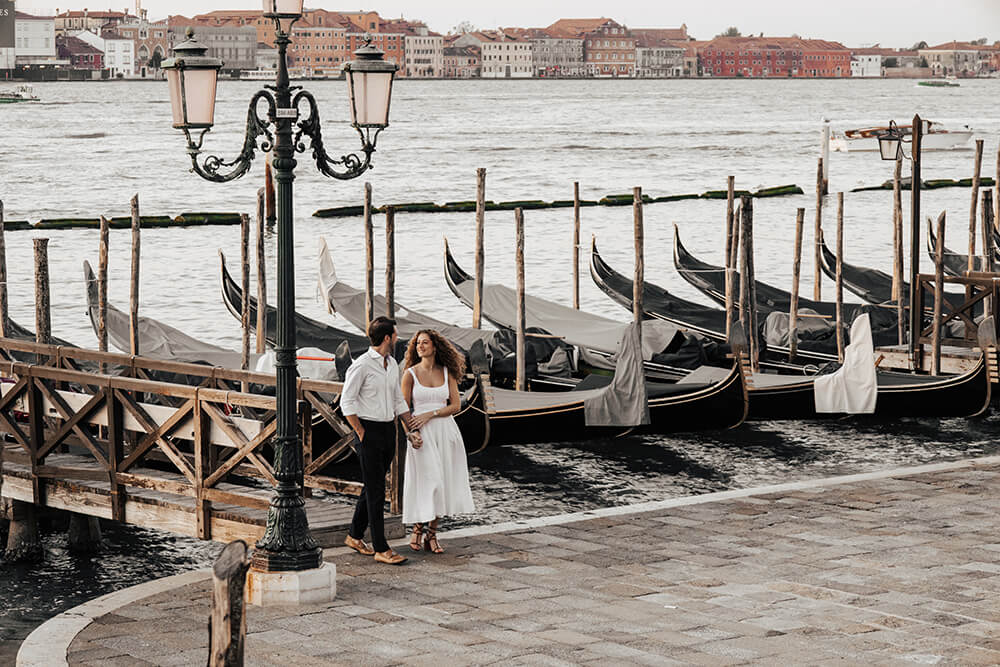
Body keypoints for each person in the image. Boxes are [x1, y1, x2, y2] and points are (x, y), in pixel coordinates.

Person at [341, 316, 421, 565]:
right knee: (376, 491)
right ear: (387, 338)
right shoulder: (362, 365)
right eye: (395, 335)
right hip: (369, 430)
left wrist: (410, 426)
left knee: (373, 486)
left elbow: (398, 399)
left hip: (389, 429)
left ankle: (354, 535)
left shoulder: (392, 365)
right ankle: (381, 547)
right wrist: (361, 432)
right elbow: (347, 402)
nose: (397, 338)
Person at [400, 329, 475, 554]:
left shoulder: (446, 372)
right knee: (427, 482)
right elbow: (402, 408)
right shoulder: (410, 374)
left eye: (425, 342)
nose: (420, 346)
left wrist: (430, 414)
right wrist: (409, 433)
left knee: (443, 483)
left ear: (435, 346)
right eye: (418, 343)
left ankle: (431, 533)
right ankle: (417, 527)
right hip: (421, 435)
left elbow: (455, 406)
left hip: (445, 431)